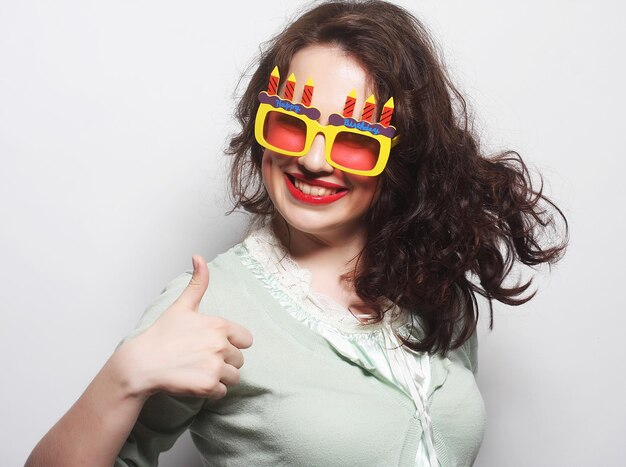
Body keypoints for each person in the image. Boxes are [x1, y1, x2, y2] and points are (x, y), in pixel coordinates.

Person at [26, 1, 568, 466]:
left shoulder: (435, 287)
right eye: (290, 122)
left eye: (353, 139)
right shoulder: (210, 304)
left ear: (402, 157)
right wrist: (123, 375)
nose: (310, 159)